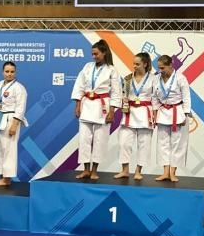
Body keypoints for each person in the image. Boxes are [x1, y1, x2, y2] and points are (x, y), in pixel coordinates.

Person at [72, 39, 121, 180]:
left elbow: (116, 92)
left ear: (104, 53)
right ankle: (86, 169)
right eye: (92, 54)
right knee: (84, 140)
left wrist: (112, 111)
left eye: (96, 54)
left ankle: (94, 170)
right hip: (86, 104)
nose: (93, 56)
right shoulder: (87, 67)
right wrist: (77, 105)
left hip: (102, 107)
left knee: (100, 140)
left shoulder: (112, 70)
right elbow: (79, 86)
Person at [152, 55, 192, 183]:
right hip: (163, 112)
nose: (160, 70)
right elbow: (154, 97)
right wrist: (154, 113)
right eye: (159, 68)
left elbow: (186, 97)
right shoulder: (156, 78)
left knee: (177, 143)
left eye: (162, 68)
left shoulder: (180, 78)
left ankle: (173, 172)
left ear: (171, 65)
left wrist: (185, 113)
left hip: (177, 112)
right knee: (162, 143)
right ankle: (165, 172)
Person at [0, 61, 28, 186]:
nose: (9, 74)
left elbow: (20, 108)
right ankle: (0, 175)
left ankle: (7, 178)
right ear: (2, 72)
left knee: (8, 149)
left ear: (15, 72)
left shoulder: (19, 88)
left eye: (12, 72)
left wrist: (14, 125)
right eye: (7, 71)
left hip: (10, 119)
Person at [116, 52, 155, 180]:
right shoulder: (128, 78)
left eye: (137, 64)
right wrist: (123, 102)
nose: (134, 66)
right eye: (134, 64)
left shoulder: (153, 79)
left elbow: (156, 98)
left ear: (145, 64)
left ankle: (138, 171)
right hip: (130, 113)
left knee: (144, 144)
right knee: (124, 143)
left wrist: (155, 114)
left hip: (145, 113)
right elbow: (123, 94)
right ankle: (125, 170)